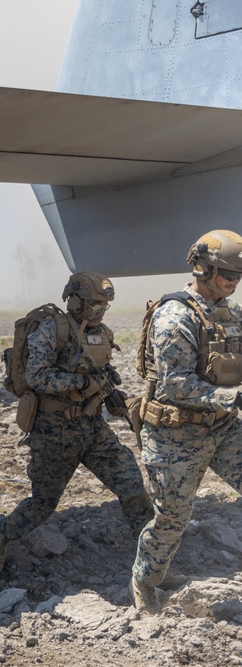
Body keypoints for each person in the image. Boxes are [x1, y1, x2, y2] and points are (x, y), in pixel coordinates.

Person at [0, 272, 153, 574]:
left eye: (104, 306)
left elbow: (101, 372)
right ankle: (1, 534)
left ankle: (154, 562)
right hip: (53, 431)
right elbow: (38, 377)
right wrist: (82, 382)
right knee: (43, 504)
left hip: (92, 428)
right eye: (93, 305)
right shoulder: (52, 329)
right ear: (74, 299)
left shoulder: (102, 332)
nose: (99, 311)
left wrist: (110, 393)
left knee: (132, 486)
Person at [130, 230, 242, 614]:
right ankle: (146, 581)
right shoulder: (175, 315)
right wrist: (235, 397)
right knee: (173, 518)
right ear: (203, 268)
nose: (234, 282)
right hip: (175, 433)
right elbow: (176, 385)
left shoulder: (228, 311)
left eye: (238, 276)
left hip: (222, 425)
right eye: (228, 274)